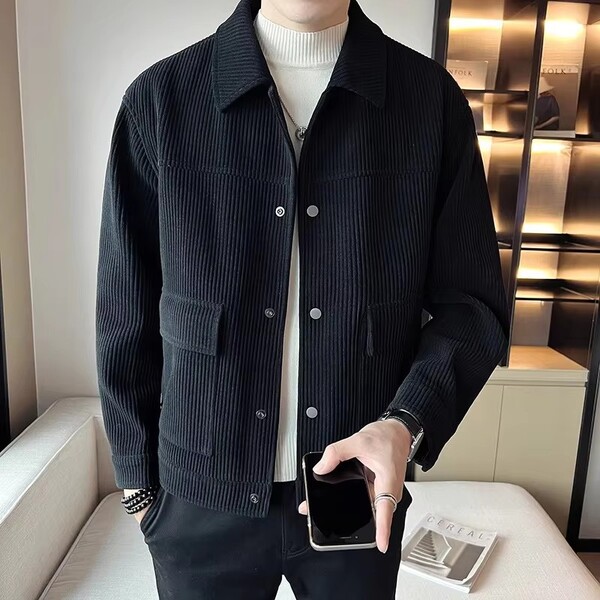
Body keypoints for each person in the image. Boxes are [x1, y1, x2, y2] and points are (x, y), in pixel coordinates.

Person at [95, 0, 510, 598]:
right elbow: (124, 309)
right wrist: (138, 487)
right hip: (198, 496)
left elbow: (471, 309)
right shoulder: (161, 101)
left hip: (359, 491)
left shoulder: (428, 101)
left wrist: (406, 424)